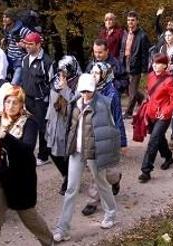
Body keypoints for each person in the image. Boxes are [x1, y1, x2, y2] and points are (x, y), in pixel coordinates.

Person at [53, 74, 121, 243]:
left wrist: (110, 154)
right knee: (71, 189)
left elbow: (110, 130)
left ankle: (111, 214)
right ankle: (63, 228)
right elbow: (68, 105)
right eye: (82, 90)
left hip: (94, 151)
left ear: (94, 89)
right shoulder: (75, 100)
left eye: (88, 91)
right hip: (76, 151)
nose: (85, 94)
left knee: (102, 183)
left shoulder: (103, 104)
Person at [0, 86, 51, 246]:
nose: (11, 106)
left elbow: (27, 148)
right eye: (8, 102)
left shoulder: (29, 121)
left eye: (15, 102)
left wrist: (6, 136)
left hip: (21, 180)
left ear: (22, 104)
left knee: (30, 218)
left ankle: (49, 242)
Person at [81, 62, 125, 217]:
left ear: (104, 74)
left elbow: (118, 118)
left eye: (97, 73)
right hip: (92, 134)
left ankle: (115, 179)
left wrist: (122, 141)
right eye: (91, 72)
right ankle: (93, 201)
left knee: (110, 171)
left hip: (108, 136)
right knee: (96, 170)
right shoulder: (87, 91)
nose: (93, 76)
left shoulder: (111, 93)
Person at [138, 54, 173, 183]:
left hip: (163, 116)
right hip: (151, 113)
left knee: (153, 141)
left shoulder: (169, 81)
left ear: (165, 65)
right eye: (154, 63)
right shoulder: (150, 76)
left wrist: (166, 111)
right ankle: (168, 157)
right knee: (159, 138)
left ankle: (146, 170)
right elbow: (150, 93)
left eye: (159, 63)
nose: (155, 65)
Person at [17, 32, 55, 166]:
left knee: (42, 128)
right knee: (26, 126)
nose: (27, 46)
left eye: (30, 44)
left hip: (41, 100)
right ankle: (26, 154)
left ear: (38, 45)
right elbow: (23, 79)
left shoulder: (47, 61)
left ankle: (44, 156)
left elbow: (52, 84)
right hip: (27, 99)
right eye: (26, 43)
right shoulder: (25, 59)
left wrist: (49, 102)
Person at [47, 56, 82, 196]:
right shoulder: (56, 80)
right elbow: (51, 98)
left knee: (68, 152)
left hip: (70, 122)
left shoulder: (80, 82)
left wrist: (66, 88)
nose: (62, 75)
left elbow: (76, 100)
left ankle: (70, 179)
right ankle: (67, 175)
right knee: (51, 150)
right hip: (54, 121)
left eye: (65, 71)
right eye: (60, 71)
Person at [119, 11, 151, 119]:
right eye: (128, 20)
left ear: (137, 21)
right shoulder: (125, 34)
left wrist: (144, 70)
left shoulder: (142, 36)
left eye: (132, 20)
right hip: (125, 62)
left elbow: (144, 54)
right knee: (128, 89)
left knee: (132, 91)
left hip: (136, 64)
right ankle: (141, 98)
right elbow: (122, 49)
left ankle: (128, 112)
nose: (130, 22)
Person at [2, 8, 30, 84]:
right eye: (3, 17)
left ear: (12, 18)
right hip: (9, 60)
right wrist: (4, 41)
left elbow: (38, 40)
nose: (4, 19)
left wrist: (24, 45)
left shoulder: (22, 30)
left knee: (14, 84)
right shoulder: (6, 29)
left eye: (6, 17)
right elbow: (10, 42)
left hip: (20, 61)